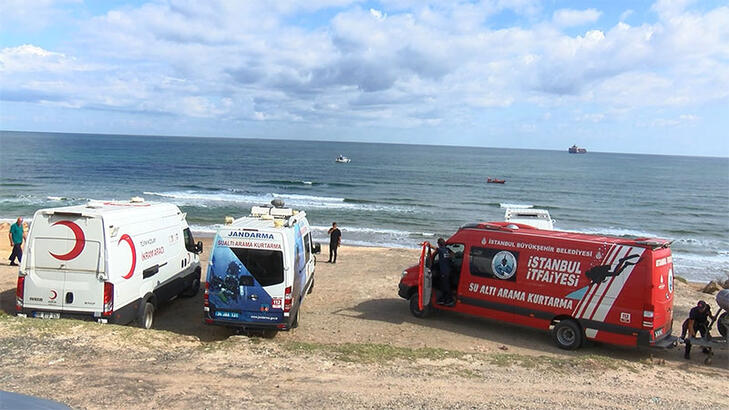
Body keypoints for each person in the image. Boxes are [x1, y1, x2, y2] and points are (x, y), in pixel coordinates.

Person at [435, 238, 455, 306]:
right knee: (445, 285)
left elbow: (434, 248)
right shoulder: (447, 250)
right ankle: (443, 299)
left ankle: (449, 300)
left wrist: (427, 244)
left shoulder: (440, 250)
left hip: (444, 272)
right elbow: (453, 254)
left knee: (445, 287)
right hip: (448, 271)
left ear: (439, 244)